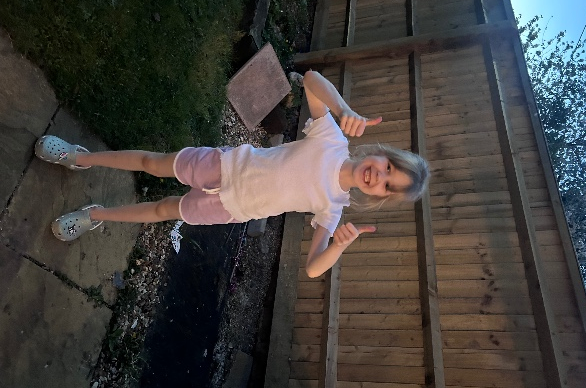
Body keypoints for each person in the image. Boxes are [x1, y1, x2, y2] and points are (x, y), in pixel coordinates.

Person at [34, 71, 429, 278]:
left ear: (379, 196)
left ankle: (93, 215)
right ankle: (80, 157)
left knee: (163, 210)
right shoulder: (332, 138)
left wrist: (337, 247)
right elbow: (310, 80)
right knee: (153, 162)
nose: (379, 177)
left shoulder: (333, 208)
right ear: (381, 154)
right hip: (225, 164)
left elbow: (312, 268)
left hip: (229, 208)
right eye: (389, 167)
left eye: (387, 186)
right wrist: (342, 109)